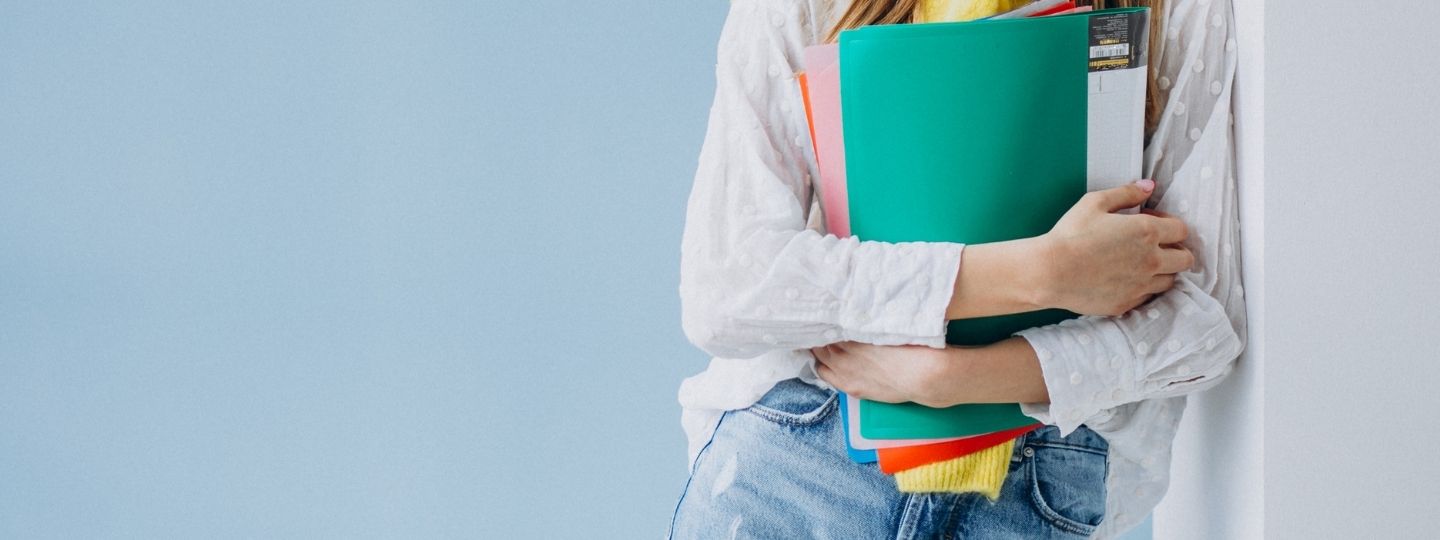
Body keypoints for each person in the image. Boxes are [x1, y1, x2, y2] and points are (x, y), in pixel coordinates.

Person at [670, 0, 1246, 537]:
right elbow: (726, 290)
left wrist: (950, 381)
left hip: (1038, 479)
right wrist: (1039, 273)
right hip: (803, 453)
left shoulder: (1178, 9)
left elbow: (1203, 324)